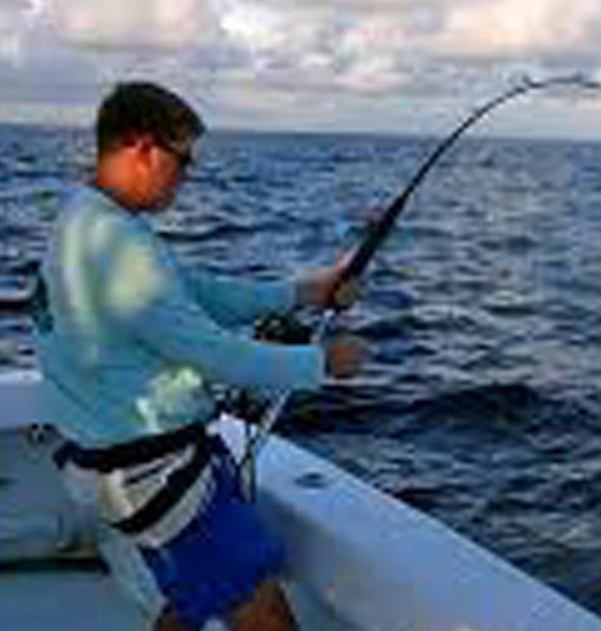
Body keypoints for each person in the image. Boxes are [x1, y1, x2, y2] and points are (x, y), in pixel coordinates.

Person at [30, 80, 363, 631]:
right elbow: (216, 356)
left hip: (122, 462)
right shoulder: (118, 245)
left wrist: (306, 291)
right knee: (264, 617)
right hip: (150, 472)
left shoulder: (87, 219)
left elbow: (197, 293)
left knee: (194, 598)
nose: (187, 177)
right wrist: (324, 363)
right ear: (143, 148)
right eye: (183, 161)